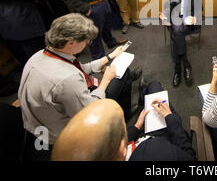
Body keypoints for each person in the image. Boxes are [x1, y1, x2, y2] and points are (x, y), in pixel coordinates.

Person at [18, 13, 141, 160]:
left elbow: (81, 68)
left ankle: (123, 98)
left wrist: (109, 57)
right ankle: (122, 117)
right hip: (63, 134)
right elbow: (89, 110)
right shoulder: (67, 79)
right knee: (122, 75)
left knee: (120, 76)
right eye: (87, 41)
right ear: (71, 43)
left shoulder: (41, 55)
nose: (88, 43)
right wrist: (105, 81)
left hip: (40, 123)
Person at [52, 81, 197, 161]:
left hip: (139, 139)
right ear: (121, 147)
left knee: (151, 92)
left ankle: (144, 93)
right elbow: (190, 156)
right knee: (157, 90)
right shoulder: (155, 153)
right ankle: (146, 91)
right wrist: (170, 118)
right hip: (161, 140)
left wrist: (136, 125)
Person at [159, 0, 202, 87]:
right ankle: (186, 64)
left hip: (189, 23)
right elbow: (171, 6)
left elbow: (199, 10)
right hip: (177, 19)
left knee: (176, 33)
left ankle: (178, 68)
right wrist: (165, 15)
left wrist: (195, 18)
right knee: (177, 31)